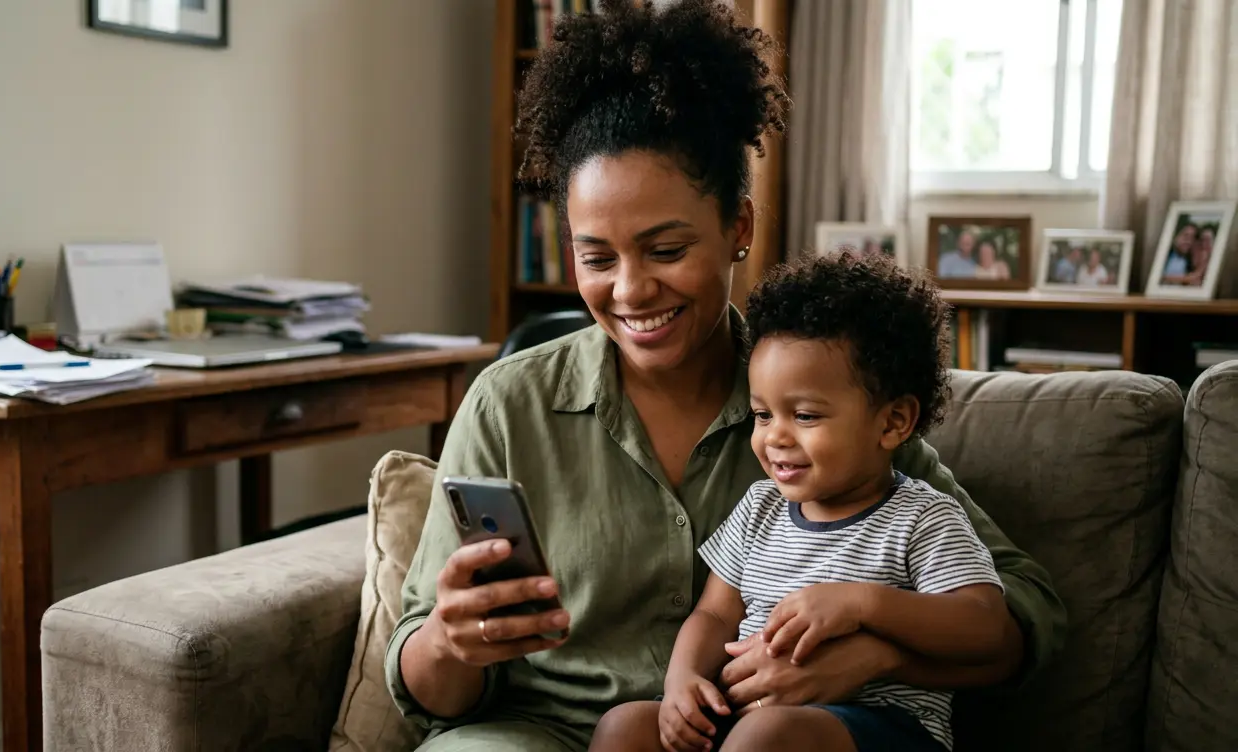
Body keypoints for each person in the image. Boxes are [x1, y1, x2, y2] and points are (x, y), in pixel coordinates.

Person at [385, 3, 1066, 750]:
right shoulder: (510, 403)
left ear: (739, 229)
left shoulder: (830, 402)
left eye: (667, 249)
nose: (631, 291)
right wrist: (451, 642)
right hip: (539, 731)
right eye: (597, 258)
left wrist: (879, 651)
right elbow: (429, 690)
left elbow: (1021, 617)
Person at [591, 253, 1006, 752]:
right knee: (625, 727)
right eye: (763, 415)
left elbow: (986, 627)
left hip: (883, 727)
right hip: (752, 716)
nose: (775, 438)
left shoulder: (922, 517)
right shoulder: (759, 508)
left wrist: (862, 603)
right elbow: (715, 616)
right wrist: (681, 681)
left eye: (805, 416)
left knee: (768, 734)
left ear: (894, 422)